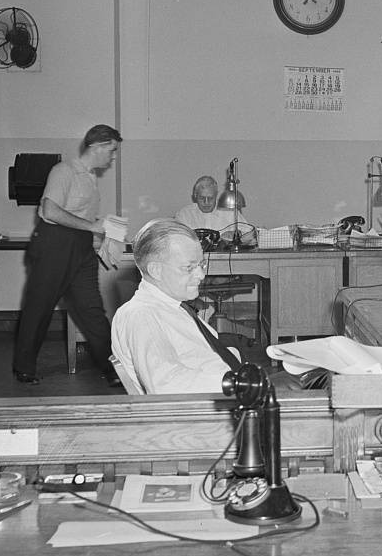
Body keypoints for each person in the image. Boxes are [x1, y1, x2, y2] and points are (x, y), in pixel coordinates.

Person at [13, 125, 125, 385]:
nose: (113, 156)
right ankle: (24, 367)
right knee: (39, 307)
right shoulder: (63, 171)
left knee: (92, 310)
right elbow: (50, 211)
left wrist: (104, 233)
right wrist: (91, 226)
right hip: (54, 244)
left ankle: (113, 369)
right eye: (111, 150)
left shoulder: (90, 177)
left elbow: (80, 216)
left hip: (80, 247)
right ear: (97, 146)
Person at [111, 219, 241, 394]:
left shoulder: (173, 306)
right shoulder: (141, 315)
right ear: (156, 270)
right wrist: (241, 383)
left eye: (201, 265)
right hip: (205, 411)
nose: (201, 275)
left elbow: (206, 354)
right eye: (189, 267)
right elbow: (166, 384)